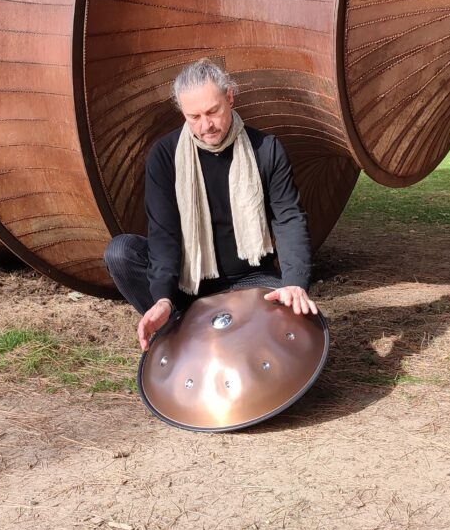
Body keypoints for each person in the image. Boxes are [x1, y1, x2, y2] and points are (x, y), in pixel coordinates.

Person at [104, 58, 318, 351]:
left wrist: (295, 282)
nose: (205, 126)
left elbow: (289, 218)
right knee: (120, 253)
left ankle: (217, 332)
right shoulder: (165, 156)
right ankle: (177, 326)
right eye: (194, 117)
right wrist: (163, 297)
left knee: (304, 324)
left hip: (250, 279)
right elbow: (164, 234)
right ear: (182, 112)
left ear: (229, 97)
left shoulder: (266, 149)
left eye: (213, 111)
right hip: (188, 284)